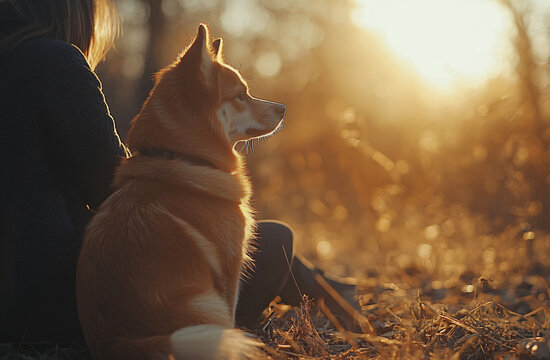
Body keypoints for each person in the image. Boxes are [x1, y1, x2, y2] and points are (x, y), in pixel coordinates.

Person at [0, 0, 358, 344]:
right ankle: (337, 294)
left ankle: (334, 289)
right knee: (274, 240)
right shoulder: (53, 61)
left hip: (17, 301)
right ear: (71, 10)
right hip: (65, 299)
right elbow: (111, 182)